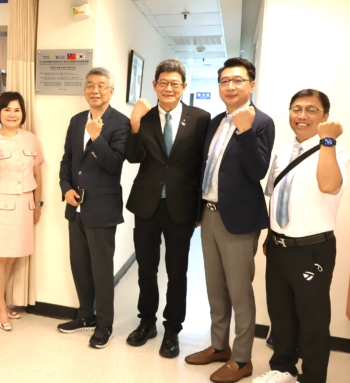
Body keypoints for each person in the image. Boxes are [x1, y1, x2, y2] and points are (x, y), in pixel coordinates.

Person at [185, 57, 275, 383]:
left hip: (238, 220)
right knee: (215, 288)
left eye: (238, 80)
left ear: (251, 84)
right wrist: (197, 211)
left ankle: (242, 359)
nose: (230, 86)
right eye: (225, 81)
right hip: (209, 215)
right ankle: (219, 346)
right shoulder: (214, 122)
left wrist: (246, 131)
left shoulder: (261, 122)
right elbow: (206, 169)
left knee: (239, 292)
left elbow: (257, 171)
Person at [253, 89, 349, 383]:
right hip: (279, 246)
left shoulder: (336, 152)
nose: (302, 115)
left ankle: (313, 377)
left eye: (311, 109)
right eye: (296, 109)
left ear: (325, 116)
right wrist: (271, 235)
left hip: (312, 249)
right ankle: (283, 369)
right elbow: (276, 196)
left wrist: (328, 140)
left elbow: (329, 185)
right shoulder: (283, 152)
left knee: (312, 318)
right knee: (280, 312)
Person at [125, 59, 210, 357]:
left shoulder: (200, 118)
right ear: (154, 85)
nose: (169, 88)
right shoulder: (144, 117)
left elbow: (202, 166)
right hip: (146, 205)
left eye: (175, 83)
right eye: (163, 83)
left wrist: (199, 209)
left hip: (181, 207)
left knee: (177, 271)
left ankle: (172, 329)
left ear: (184, 86)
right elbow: (133, 157)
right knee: (146, 269)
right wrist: (134, 123)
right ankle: (147, 322)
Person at [57, 67, 130, 348]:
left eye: (101, 85)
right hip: (75, 206)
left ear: (111, 91)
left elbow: (114, 164)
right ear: (84, 90)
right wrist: (66, 188)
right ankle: (85, 315)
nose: (95, 90)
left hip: (102, 208)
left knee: (101, 269)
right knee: (79, 266)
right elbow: (67, 160)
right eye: (90, 85)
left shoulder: (120, 122)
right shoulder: (77, 120)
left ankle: (104, 324)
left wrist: (97, 137)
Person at [0, 91, 43, 331]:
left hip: (25, 205)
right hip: (0, 205)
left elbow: (37, 175)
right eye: (7, 110)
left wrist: (38, 205)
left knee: (13, 256)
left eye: (16, 110)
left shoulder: (30, 139)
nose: (12, 114)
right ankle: (1, 307)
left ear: (22, 113)